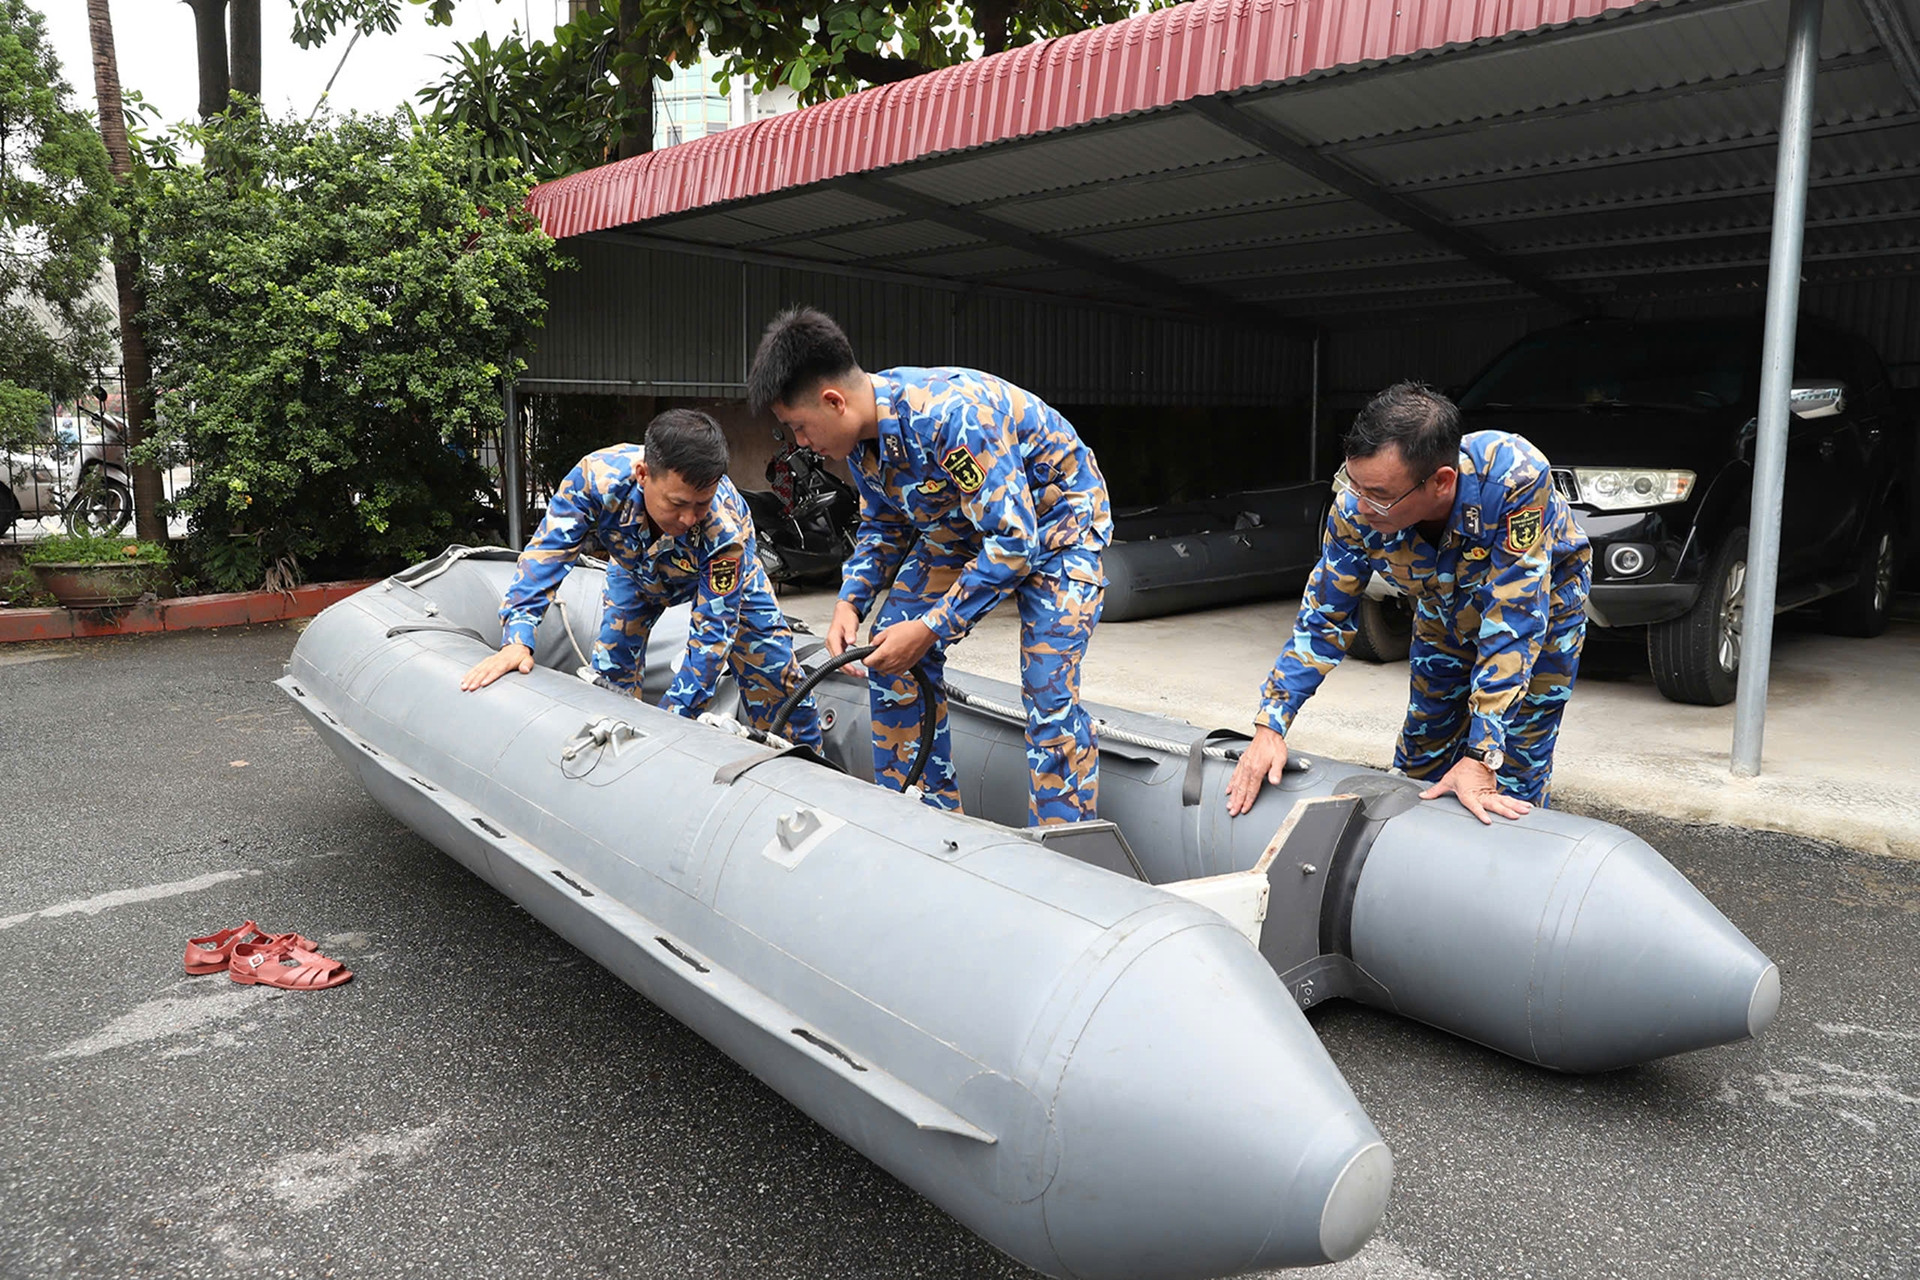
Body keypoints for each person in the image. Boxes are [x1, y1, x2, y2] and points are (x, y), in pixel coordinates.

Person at [746, 307, 1112, 826]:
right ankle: (922, 819)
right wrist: (850, 601)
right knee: (888, 654)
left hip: (1058, 526)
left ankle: (1063, 846)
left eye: (799, 427)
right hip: (968, 525)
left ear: (834, 401)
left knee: (1048, 689)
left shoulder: (950, 417)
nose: (801, 443)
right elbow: (884, 527)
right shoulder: (860, 443)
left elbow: (1013, 543)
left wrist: (932, 627)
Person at [1226, 381, 1591, 824]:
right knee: (1423, 754)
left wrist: (1482, 754)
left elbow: (1513, 622)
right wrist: (1270, 725)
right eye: (1353, 483)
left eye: (1379, 495)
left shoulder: (1513, 478)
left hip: (1541, 618)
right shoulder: (1354, 508)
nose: (1360, 506)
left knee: (1508, 774)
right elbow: (1324, 619)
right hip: (1441, 612)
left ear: (1441, 483)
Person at [459, 408, 823, 751]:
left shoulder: (722, 531)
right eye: (677, 503)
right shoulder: (594, 480)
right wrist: (517, 638)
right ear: (643, 474)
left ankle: (806, 771)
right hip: (635, 570)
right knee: (611, 672)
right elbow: (546, 557)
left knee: (776, 673)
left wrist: (672, 724)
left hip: (721, 578)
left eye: (701, 504)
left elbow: (712, 635)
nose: (688, 519)